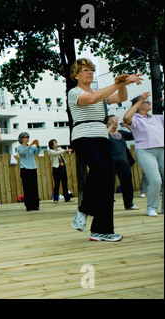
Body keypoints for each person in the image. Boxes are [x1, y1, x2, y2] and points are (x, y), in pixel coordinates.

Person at [68, 57, 143, 242]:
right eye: (85, 70)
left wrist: (123, 84)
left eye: (91, 70)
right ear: (76, 75)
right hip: (83, 135)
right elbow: (92, 99)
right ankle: (84, 210)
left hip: (102, 137)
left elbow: (121, 97)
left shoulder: (99, 93)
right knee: (100, 168)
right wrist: (117, 83)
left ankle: (102, 230)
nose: (90, 72)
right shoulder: (74, 92)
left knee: (107, 184)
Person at [123, 92, 164, 216]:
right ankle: (151, 207)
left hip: (162, 150)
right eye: (146, 102)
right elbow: (126, 118)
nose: (149, 103)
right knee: (156, 180)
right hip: (146, 151)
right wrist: (140, 100)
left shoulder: (157, 118)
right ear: (139, 104)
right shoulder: (135, 119)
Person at [104, 115, 139, 211]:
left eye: (116, 120)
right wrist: (110, 126)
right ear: (107, 124)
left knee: (127, 183)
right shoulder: (105, 133)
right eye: (112, 120)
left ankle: (129, 204)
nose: (115, 122)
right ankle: (107, 204)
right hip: (111, 163)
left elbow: (134, 135)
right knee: (109, 184)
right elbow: (103, 138)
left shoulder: (122, 133)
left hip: (124, 162)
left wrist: (128, 126)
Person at [16, 133, 40, 211]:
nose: (28, 138)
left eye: (28, 137)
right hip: (25, 169)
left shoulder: (32, 147)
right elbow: (22, 153)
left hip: (33, 168)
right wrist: (29, 146)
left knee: (34, 188)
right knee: (27, 188)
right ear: (22, 138)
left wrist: (37, 145)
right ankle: (28, 205)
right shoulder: (19, 147)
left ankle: (35, 205)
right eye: (26, 137)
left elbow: (37, 152)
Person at [48, 139, 73, 204]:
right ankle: (55, 199)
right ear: (52, 145)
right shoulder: (51, 151)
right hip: (56, 168)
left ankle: (67, 198)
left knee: (65, 183)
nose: (56, 144)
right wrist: (65, 150)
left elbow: (61, 150)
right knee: (57, 184)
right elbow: (57, 153)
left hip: (62, 167)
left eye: (56, 143)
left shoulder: (59, 149)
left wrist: (64, 150)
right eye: (54, 143)